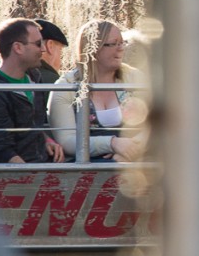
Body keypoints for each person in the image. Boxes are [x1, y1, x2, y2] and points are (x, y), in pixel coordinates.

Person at [48, 20, 148, 162]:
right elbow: (67, 141)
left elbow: (156, 125)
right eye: (113, 44)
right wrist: (113, 144)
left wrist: (129, 149)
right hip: (87, 167)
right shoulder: (66, 86)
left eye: (122, 43)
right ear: (92, 48)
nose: (121, 49)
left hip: (132, 161)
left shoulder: (135, 78)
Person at [0, 18, 63, 163]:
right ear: (18, 48)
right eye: (38, 44)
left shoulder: (34, 78)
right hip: (7, 178)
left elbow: (31, 124)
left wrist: (46, 139)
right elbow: (1, 148)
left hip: (38, 168)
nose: (43, 49)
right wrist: (29, 179)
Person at [34, 19, 69, 84]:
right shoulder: (54, 82)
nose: (61, 62)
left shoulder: (15, 76)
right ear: (50, 46)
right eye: (60, 50)